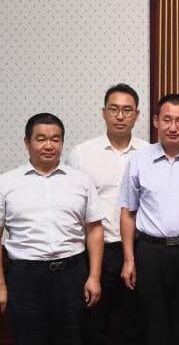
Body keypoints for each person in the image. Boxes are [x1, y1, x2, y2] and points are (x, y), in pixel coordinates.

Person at [119, 93, 179, 345]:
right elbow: (128, 212)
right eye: (167, 119)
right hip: (150, 252)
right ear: (156, 121)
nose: (173, 127)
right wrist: (129, 260)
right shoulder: (139, 160)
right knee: (153, 325)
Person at [0, 113, 105, 345]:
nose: (49, 145)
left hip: (72, 275)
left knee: (74, 337)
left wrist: (94, 277)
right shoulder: (6, 183)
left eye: (55, 139)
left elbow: (95, 229)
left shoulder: (81, 181)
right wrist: (1, 286)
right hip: (24, 278)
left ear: (62, 142)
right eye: (41, 139)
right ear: (27, 142)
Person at [66, 83, 149, 344]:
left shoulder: (148, 153)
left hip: (138, 250)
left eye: (127, 110)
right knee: (94, 323)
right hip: (96, 252)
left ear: (137, 114)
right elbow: (72, 204)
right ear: (104, 113)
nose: (120, 116)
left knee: (135, 324)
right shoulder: (81, 154)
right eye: (114, 109)